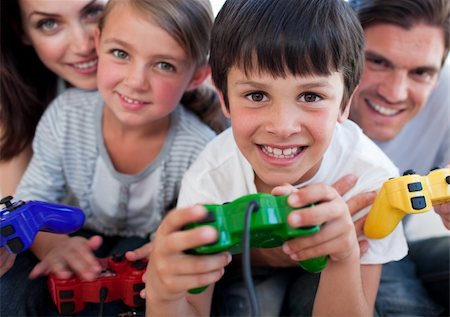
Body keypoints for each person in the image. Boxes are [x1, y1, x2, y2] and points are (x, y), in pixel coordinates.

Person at [144, 0, 408, 316]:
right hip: (251, 271)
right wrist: (163, 296)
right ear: (224, 97)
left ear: (344, 103)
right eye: (256, 96)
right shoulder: (210, 177)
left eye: (311, 97)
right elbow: (192, 308)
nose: (282, 127)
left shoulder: (373, 180)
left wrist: (343, 257)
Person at [1, 0, 224, 315]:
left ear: (197, 76)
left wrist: (169, 249)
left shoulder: (200, 146)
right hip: (69, 237)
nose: (136, 81)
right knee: (10, 294)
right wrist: (53, 244)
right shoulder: (64, 117)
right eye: (121, 54)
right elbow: (32, 200)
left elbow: (192, 229)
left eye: (164, 65)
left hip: (143, 251)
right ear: (98, 45)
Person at [347, 0, 450, 316]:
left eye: (420, 73)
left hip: (393, 245)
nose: (395, 92)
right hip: (309, 257)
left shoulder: (445, 96)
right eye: (377, 62)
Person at [0, 0, 107, 277]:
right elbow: (19, 201)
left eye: (93, 11)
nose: (83, 45)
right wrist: (52, 246)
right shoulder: (15, 99)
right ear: (21, 29)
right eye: (49, 23)